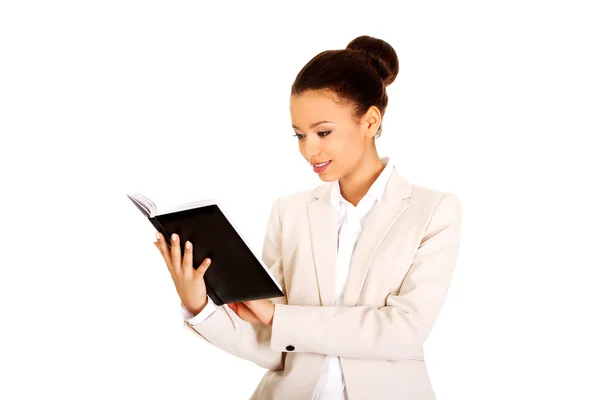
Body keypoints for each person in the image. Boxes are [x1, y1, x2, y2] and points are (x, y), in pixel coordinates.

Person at [153, 35, 462, 400]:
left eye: (323, 132)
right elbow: (275, 345)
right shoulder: (290, 211)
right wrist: (200, 306)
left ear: (370, 120)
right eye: (299, 135)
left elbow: (400, 332)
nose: (308, 150)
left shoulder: (432, 211)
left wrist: (278, 318)